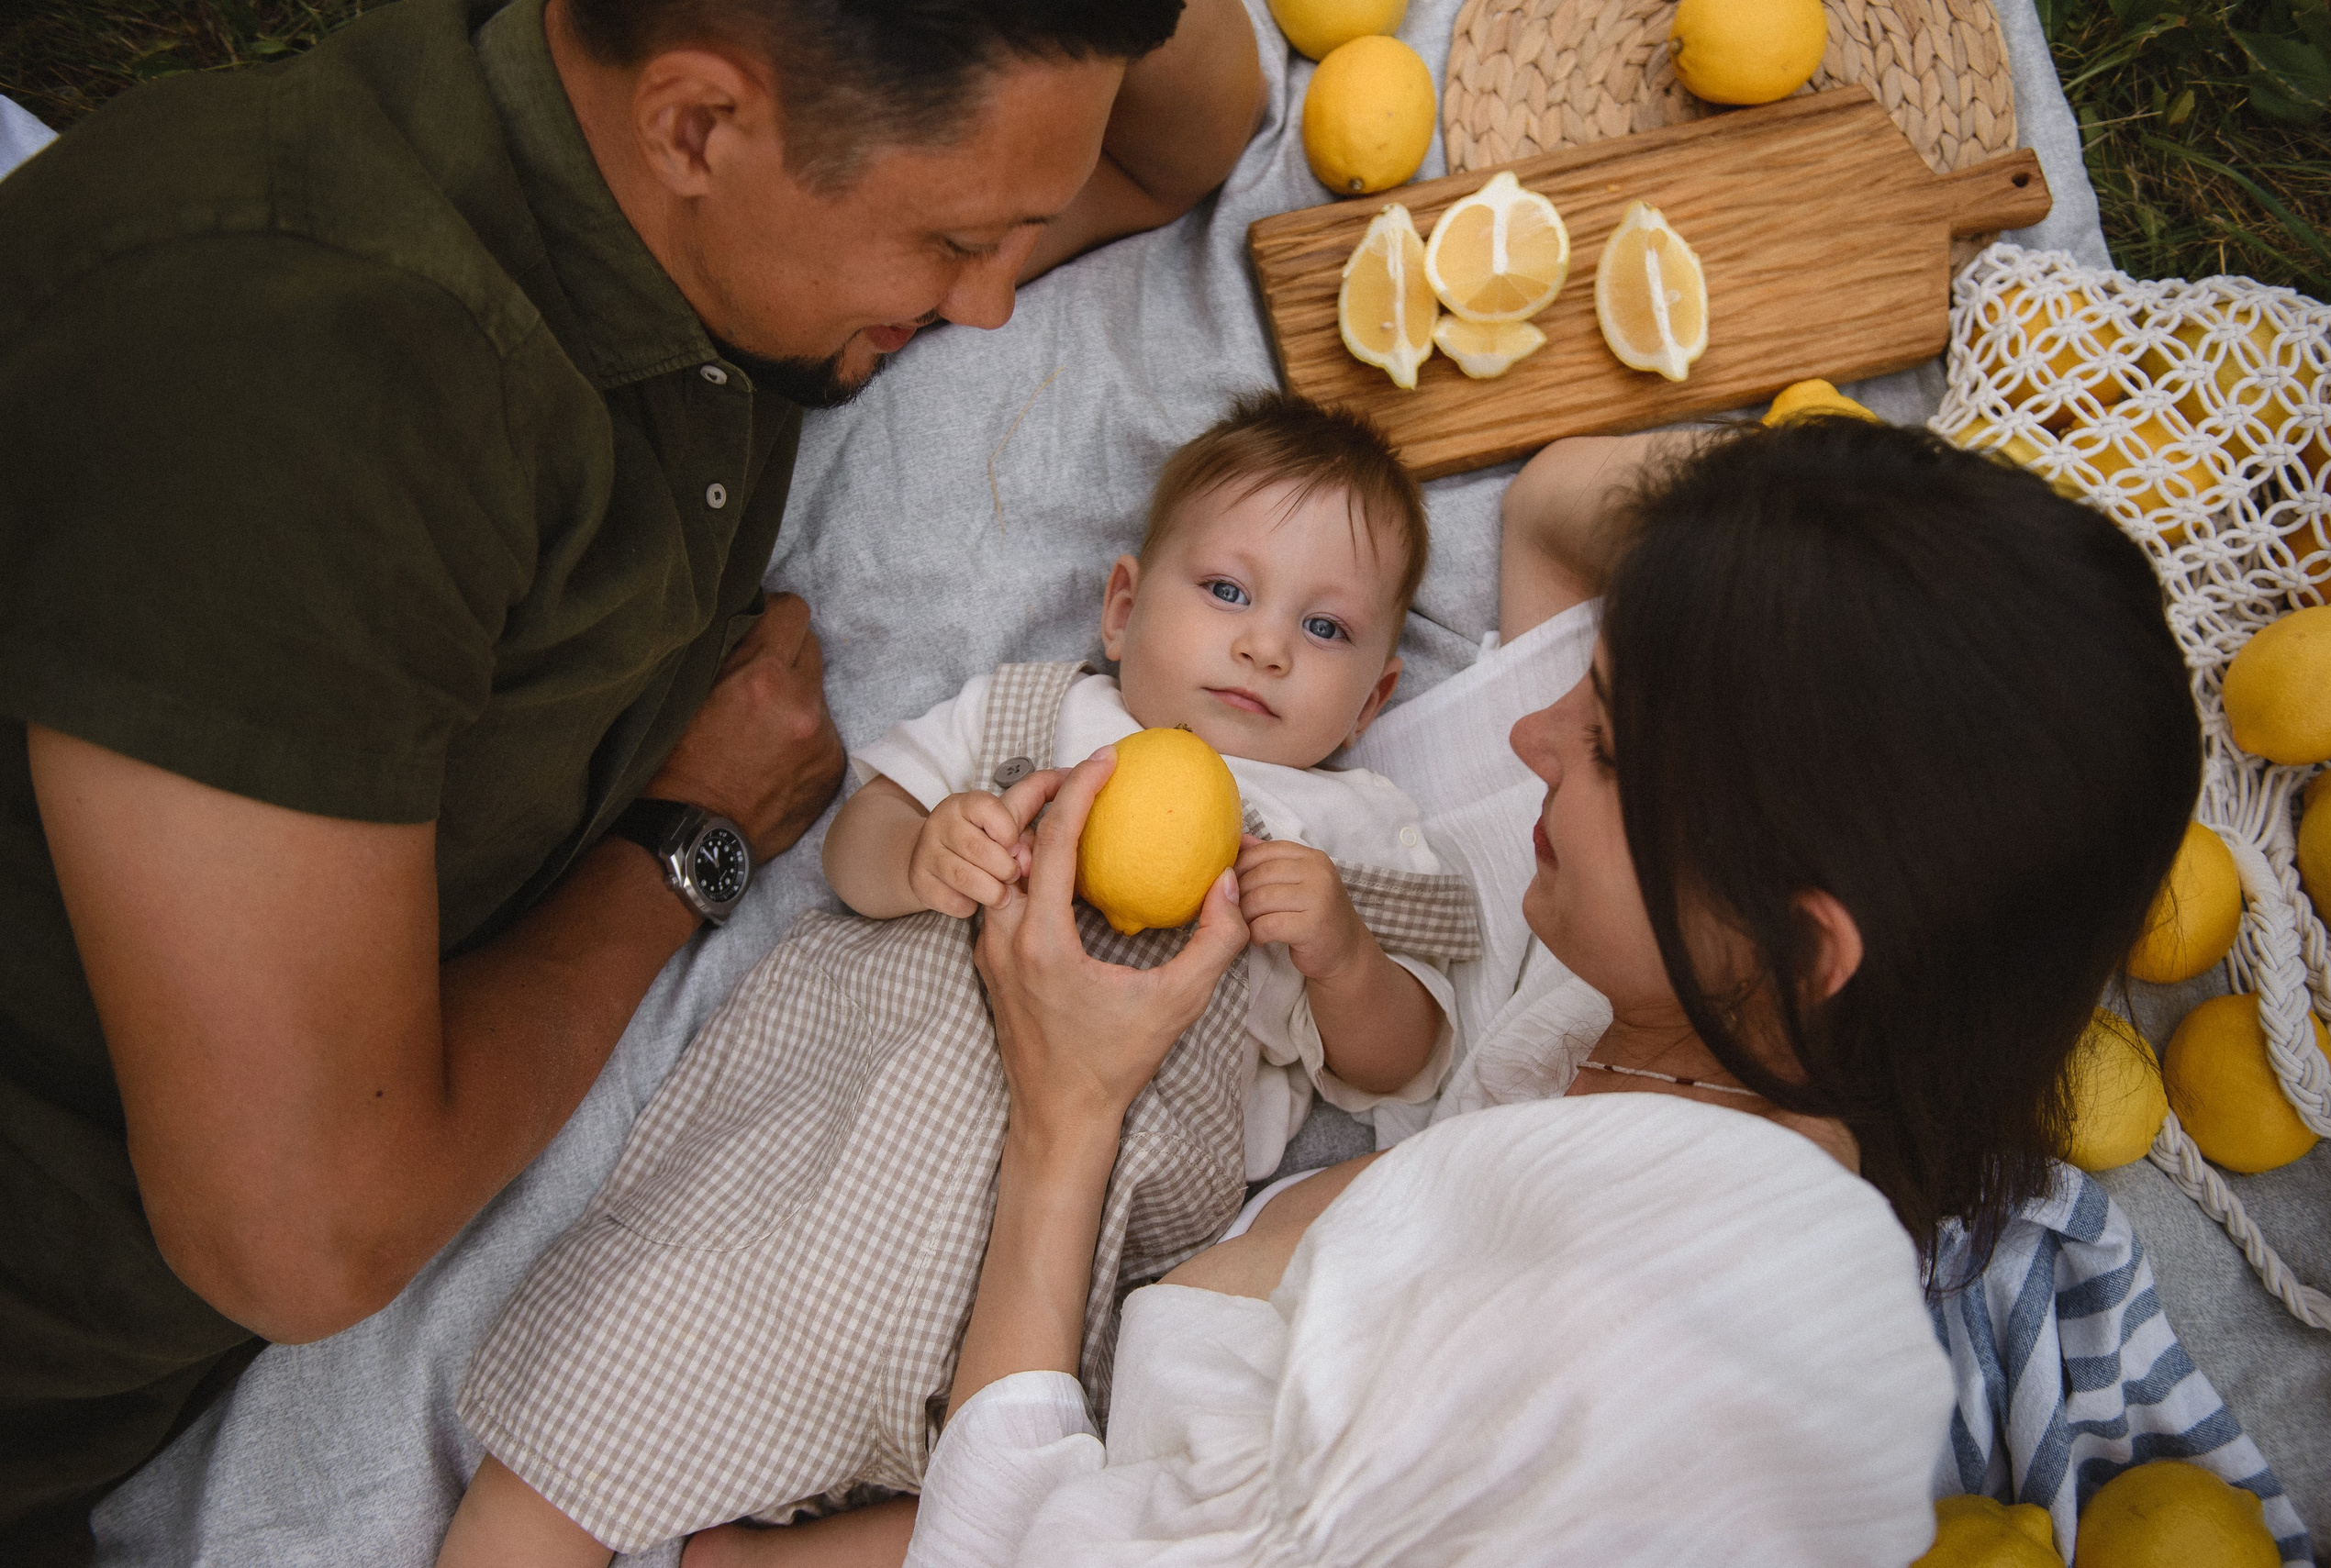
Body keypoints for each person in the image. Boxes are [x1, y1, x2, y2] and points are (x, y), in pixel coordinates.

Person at [0, 0, 1264, 1555]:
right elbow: (301, 1237)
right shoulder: (309, 391)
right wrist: (695, 837)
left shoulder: (694, 172)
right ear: (694, 129)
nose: (996, 305)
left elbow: (1183, 129)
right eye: (951, 246)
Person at [726, 415, 2201, 1565]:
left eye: (1608, 742)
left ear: (1799, 944)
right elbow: (1558, 508)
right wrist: (1818, 531)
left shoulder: (1617, 1349)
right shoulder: (1643, 981)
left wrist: (1071, 1107)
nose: (1535, 736)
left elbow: (1013, 1551)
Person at [433, 392, 1481, 1563]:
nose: (1265, 644)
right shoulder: (1039, 712)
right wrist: (925, 853)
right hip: (816, 1196)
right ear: (1123, 608)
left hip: (1040, 1289)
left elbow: (1402, 1062)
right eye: (1227, 591)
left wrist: (1338, 953)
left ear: (1377, 696)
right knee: (608, 1391)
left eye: (1327, 630)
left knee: (1033, 1520)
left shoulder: (1345, 836)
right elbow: (851, 847)